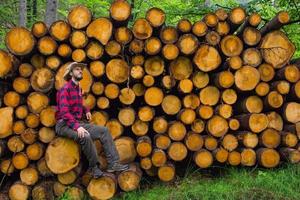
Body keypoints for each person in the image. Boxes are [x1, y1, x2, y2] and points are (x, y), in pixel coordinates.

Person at [55, 62, 129, 178]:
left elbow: (77, 105)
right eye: (77, 69)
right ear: (71, 73)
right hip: (63, 125)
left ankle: (113, 163)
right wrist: (77, 127)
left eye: (81, 69)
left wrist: (86, 110)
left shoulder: (78, 89)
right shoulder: (65, 90)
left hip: (75, 122)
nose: (80, 71)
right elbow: (65, 113)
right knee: (85, 136)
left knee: (104, 131)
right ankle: (93, 168)